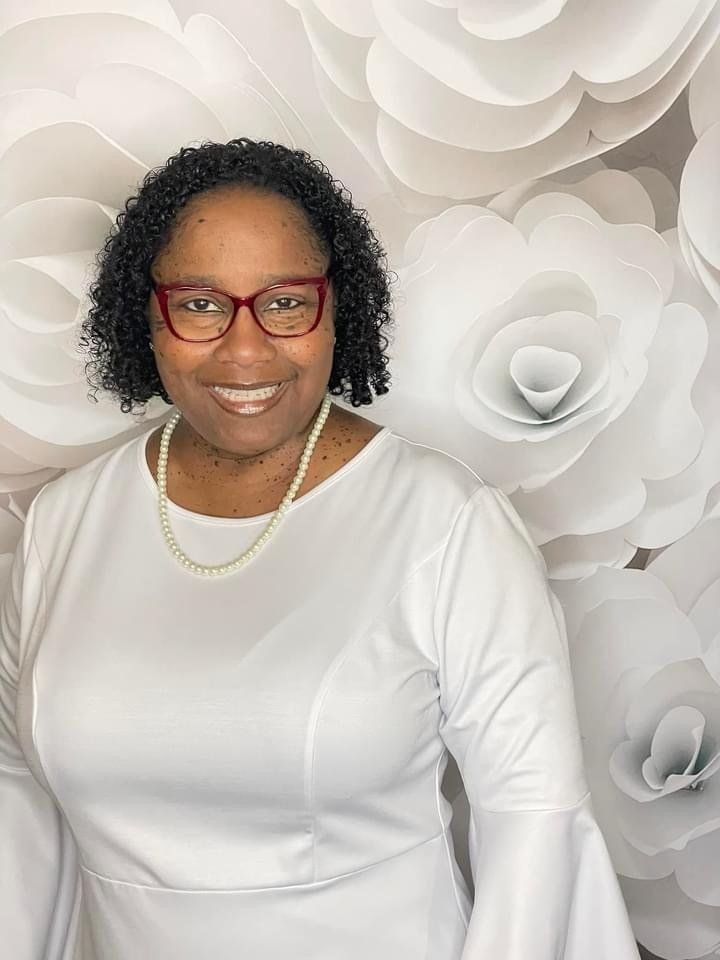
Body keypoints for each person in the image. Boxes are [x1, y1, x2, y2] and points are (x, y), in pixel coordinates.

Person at [0, 138, 640, 959]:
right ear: (146, 316)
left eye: (285, 302)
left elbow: (535, 825)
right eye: (200, 304)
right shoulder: (63, 525)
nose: (245, 350)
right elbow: (19, 811)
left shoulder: (445, 522)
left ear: (338, 307)